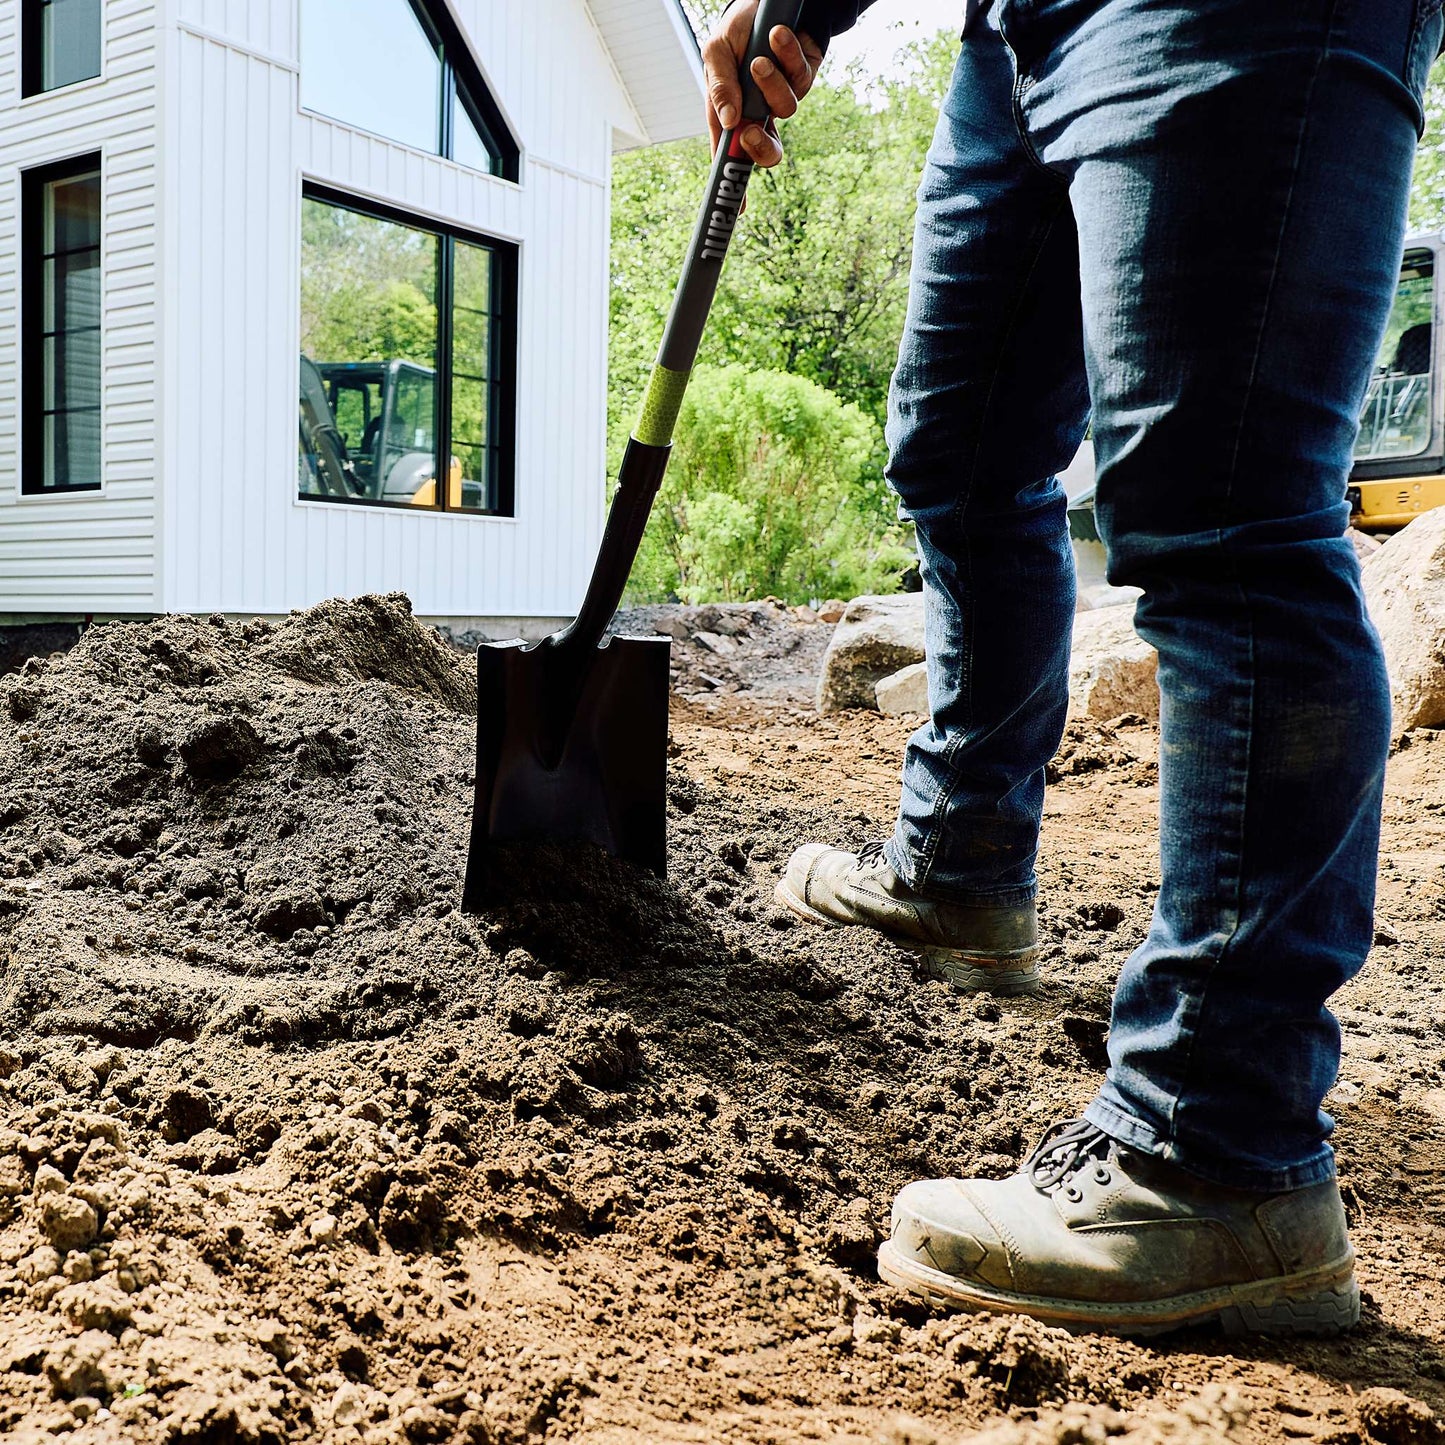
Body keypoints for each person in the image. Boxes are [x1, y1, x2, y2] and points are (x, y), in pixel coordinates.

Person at [703, 0, 1441, 1336]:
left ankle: (1217, 1147)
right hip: (1017, 30)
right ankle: (956, 871)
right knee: (960, 452)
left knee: (1223, 515)